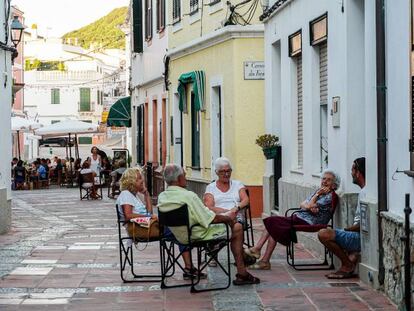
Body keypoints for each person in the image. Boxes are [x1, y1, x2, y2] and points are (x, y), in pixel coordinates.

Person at [158, 163, 260, 285]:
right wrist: (228, 219)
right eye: (185, 175)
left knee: (231, 225)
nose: (186, 178)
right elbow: (210, 219)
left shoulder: (162, 197)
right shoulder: (188, 196)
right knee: (237, 227)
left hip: (178, 236)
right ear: (179, 178)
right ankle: (242, 273)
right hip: (197, 235)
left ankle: (226, 256)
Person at [116, 167, 205, 280]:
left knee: (180, 230)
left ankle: (189, 266)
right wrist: (149, 217)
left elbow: (149, 213)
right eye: (139, 179)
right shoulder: (125, 194)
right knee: (180, 230)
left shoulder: (134, 196)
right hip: (140, 230)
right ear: (131, 181)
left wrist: (146, 195)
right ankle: (190, 265)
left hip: (149, 226)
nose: (142, 181)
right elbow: (128, 215)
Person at [244, 169, 340, 270]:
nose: (324, 181)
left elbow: (308, 205)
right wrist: (309, 204)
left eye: (328, 180)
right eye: (323, 179)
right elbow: (302, 204)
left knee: (272, 221)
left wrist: (313, 199)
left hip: (310, 222)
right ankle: (264, 259)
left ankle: (258, 251)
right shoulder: (319, 192)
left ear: (333, 185)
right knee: (273, 225)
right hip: (300, 218)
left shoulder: (329, 196)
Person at [318, 157, 365, 279]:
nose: (351, 173)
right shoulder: (363, 192)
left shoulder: (366, 193)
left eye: (352, 170)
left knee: (324, 234)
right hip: (356, 235)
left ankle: (347, 264)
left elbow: (364, 225)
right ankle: (349, 261)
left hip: (360, 237)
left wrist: (347, 230)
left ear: (358, 173)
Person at [204, 157, 249, 224]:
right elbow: (209, 207)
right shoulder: (211, 187)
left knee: (236, 224)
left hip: (236, 216)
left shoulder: (238, 184)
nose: (226, 174)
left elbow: (246, 200)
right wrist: (226, 212)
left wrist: (236, 208)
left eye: (228, 171)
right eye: (223, 171)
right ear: (217, 172)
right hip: (220, 217)